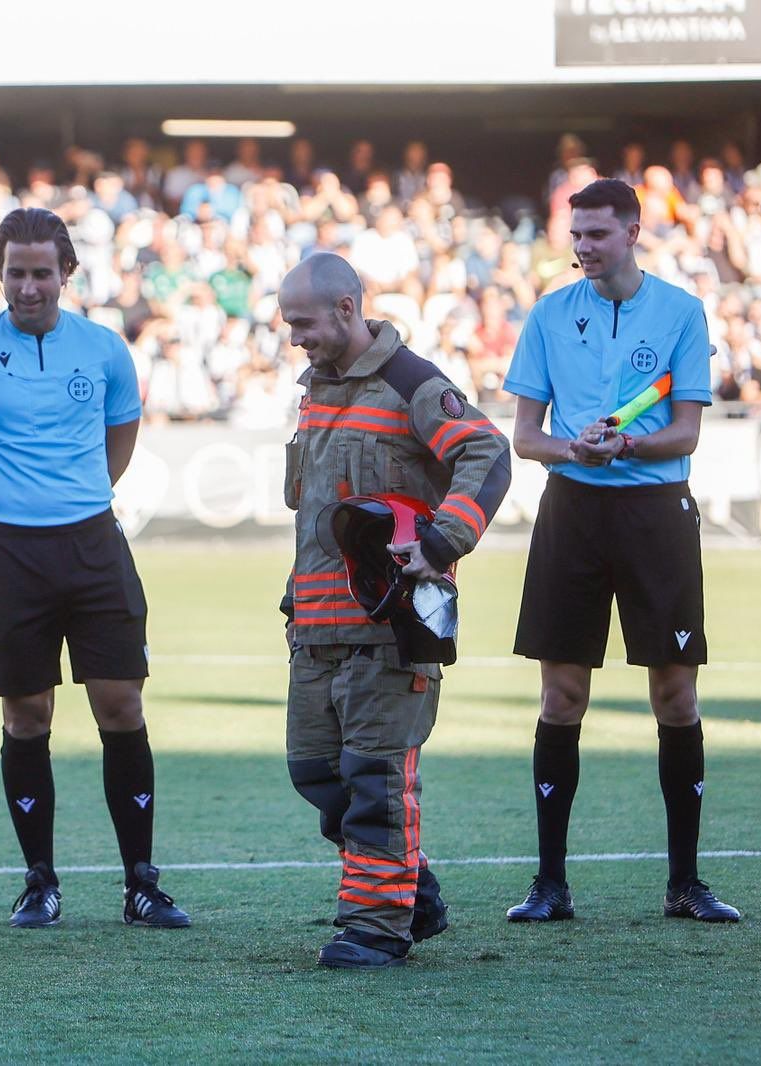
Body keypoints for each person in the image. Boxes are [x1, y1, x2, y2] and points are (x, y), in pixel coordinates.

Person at [0, 206, 189, 931]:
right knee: (27, 715)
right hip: (11, 553)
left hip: (93, 545)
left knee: (121, 707)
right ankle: (39, 880)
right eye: (16, 273)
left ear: (66, 274)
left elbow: (122, 432)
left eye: (43, 272)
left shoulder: (103, 350)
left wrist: (78, 501)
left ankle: (141, 881)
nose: (29, 286)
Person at [502, 178, 739, 924]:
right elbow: (525, 437)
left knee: (675, 696)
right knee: (561, 696)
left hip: (654, 513)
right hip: (571, 508)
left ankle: (685, 884)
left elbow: (687, 433)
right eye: (576, 236)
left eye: (596, 235)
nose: (582, 248)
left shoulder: (679, 313)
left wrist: (629, 443)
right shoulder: (547, 315)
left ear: (634, 232)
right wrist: (572, 448)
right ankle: (549, 885)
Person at [277, 251, 511, 969]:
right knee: (316, 772)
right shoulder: (316, 389)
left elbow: (488, 453)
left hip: (389, 628)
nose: (295, 338)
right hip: (315, 628)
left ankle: (376, 927)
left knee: (374, 778)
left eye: (303, 323)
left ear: (347, 310)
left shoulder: (412, 383)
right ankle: (417, 892)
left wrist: (442, 541)